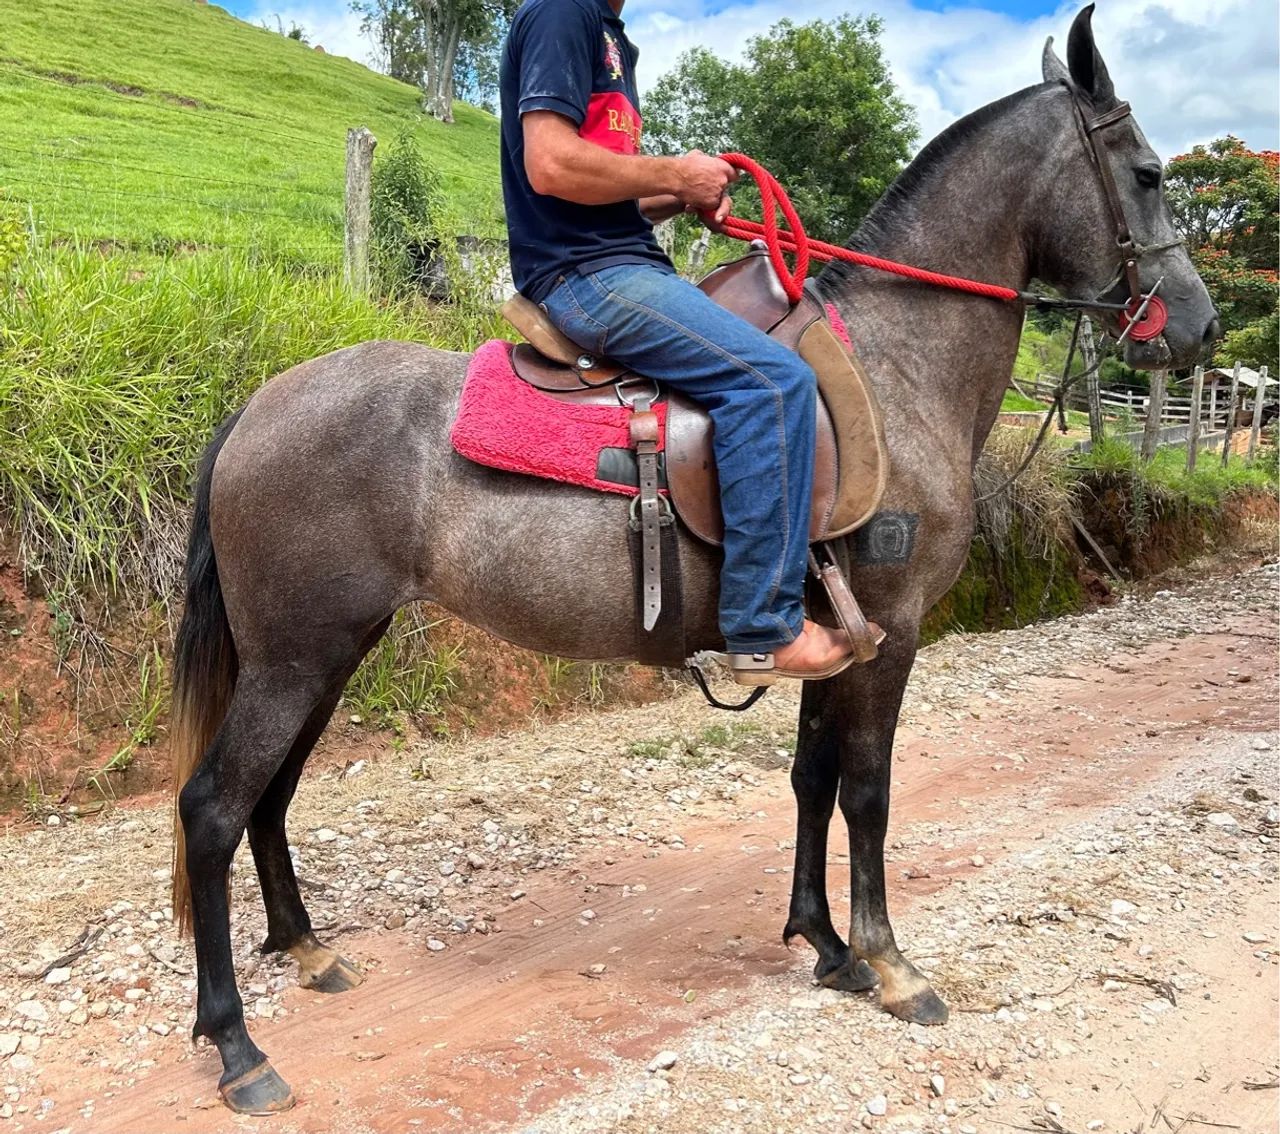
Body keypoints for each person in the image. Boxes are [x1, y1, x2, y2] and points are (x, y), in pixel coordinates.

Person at [498, 0, 855, 682]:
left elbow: (602, 192)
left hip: (617, 259)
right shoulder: (563, 11)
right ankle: (764, 627)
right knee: (774, 382)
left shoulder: (611, 37)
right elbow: (550, 164)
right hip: (588, 275)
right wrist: (674, 172)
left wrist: (678, 198)